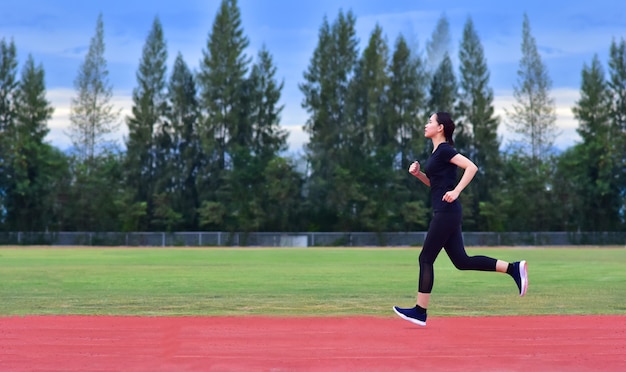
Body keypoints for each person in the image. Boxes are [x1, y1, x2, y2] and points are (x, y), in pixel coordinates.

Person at [393, 112, 528, 327]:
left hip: (447, 212)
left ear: (441, 128)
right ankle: (513, 268)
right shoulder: (437, 152)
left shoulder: (445, 149)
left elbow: (471, 167)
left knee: (425, 259)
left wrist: (456, 191)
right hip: (447, 211)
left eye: (430, 121)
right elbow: (436, 186)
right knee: (461, 261)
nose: (426, 124)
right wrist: (419, 175)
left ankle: (420, 311)